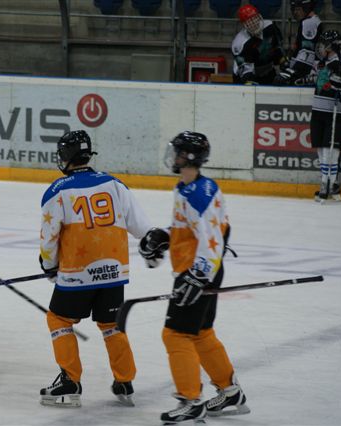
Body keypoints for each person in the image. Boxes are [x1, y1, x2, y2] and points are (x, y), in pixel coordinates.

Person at [138, 132, 249, 424]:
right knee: (201, 333)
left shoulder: (201, 194)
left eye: (176, 152)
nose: (171, 156)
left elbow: (213, 240)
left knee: (175, 334)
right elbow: (192, 231)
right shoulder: (188, 187)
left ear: (188, 157)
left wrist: (197, 277)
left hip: (199, 272)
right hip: (200, 270)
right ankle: (230, 391)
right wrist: (165, 236)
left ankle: (190, 402)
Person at [38, 130, 152, 408]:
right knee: (111, 324)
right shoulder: (114, 184)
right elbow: (143, 229)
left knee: (59, 319)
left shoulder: (57, 190)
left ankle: (70, 382)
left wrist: (49, 265)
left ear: (66, 156)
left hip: (77, 273)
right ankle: (125, 381)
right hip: (114, 271)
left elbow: (49, 238)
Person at [308, 30, 341, 202]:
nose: (320, 47)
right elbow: (317, 81)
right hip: (318, 110)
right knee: (320, 148)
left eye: (324, 44)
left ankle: (327, 184)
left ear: (333, 46)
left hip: (337, 113)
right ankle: (331, 183)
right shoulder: (322, 63)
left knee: (330, 150)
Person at [232, 4, 285, 85]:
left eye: (255, 19)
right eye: (249, 22)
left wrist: (284, 64)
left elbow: (278, 49)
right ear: (244, 25)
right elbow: (245, 71)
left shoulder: (271, 27)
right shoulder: (239, 43)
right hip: (246, 75)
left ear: (259, 17)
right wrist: (249, 81)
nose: (254, 24)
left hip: (268, 72)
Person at [274, 0, 323, 86]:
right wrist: (290, 60)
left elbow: (307, 56)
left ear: (307, 8)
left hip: (309, 68)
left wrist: (293, 69)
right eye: (294, 9)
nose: (295, 13)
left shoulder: (308, 23)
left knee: (280, 80)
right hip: (310, 66)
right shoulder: (311, 20)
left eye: (298, 9)